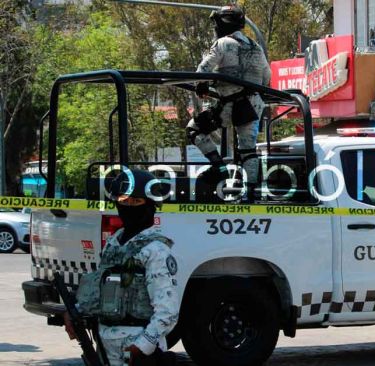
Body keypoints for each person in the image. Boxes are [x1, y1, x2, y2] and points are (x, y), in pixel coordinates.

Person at [64, 169, 179, 365]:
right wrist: (75, 310)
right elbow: (101, 286)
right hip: (105, 342)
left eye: (136, 202)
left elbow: (167, 312)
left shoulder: (155, 250)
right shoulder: (114, 243)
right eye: (124, 201)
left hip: (136, 346)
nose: (129, 206)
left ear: (151, 205)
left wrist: (143, 346)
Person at [186, 4, 271, 202]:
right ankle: (250, 195)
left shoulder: (223, 44)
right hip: (254, 105)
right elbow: (267, 77)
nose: (215, 28)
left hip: (229, 106)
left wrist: (202, 86)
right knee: (248, 149)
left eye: (216, 24)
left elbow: (202, 70)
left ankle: (219, 168)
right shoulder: (256, 47)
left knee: (194, 130)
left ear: (223, 24)